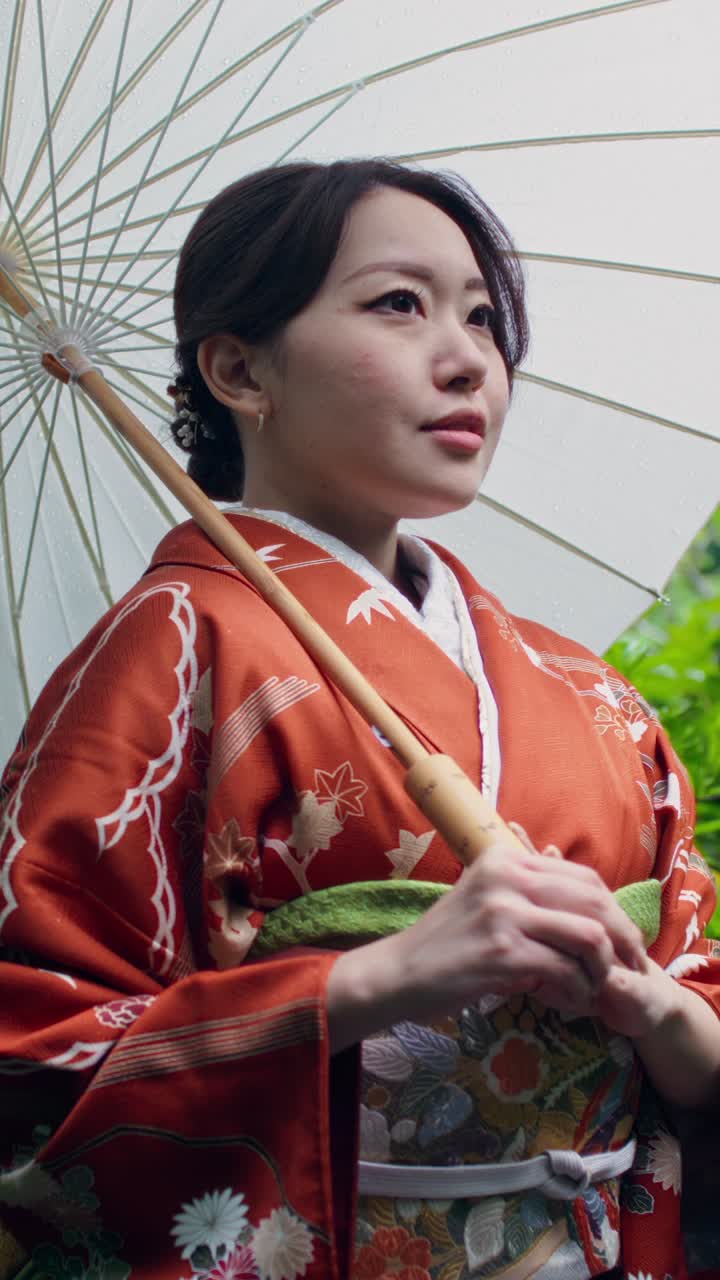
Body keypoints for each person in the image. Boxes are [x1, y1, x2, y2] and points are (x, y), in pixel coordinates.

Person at [0, 159, 718, 1280]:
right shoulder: (174, 645)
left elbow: (699, 967)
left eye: (482, 315)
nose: (467, 355)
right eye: (399, 303)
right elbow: (32, 1048)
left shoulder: (588, 689)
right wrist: (368, 981)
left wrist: (661, 1016)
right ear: (240, 368)